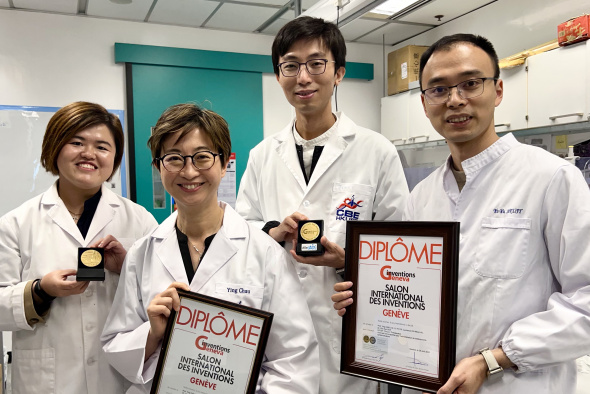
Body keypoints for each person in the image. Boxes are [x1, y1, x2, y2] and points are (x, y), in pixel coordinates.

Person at [332, 34, 590, 394]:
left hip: (516, 385)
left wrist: (494, 359)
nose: (455, 100)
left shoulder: (551, 179)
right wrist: (368, 300)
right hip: (427, 383)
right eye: (438, 90)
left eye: (470, 84)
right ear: (424, 103)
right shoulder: (420, 199)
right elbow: (408, 291)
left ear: (498, 90)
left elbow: (586, 301)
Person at [235, 16, 409, 394]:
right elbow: (242, 233)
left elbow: (402, 249)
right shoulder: (262, 155)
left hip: (348, 326)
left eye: (316, 63)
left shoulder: (376, 151)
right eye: (290, 65)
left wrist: (346, 260)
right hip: (279, 332)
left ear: (339, 72)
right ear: (278, 75)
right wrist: (273, 232)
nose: (303, 76)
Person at [101, 103, 320, 393]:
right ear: (158, 167)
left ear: (224, 162)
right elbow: (116, 343)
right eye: (174, 158)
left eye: (202, 157)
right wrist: (152, 333)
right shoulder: (143, 253)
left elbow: (294, 359)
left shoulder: (265, 254)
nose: (189, 171)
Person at [0, 101, 158, 394]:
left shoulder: (140, 220)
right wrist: (40, 291)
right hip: (48, 380)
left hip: (118, 377)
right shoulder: (16, 224)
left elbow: (161, 297)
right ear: (55, 147)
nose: (89, 153)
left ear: (114, 157)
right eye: (76, 142)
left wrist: (127, 268)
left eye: (102, 146)